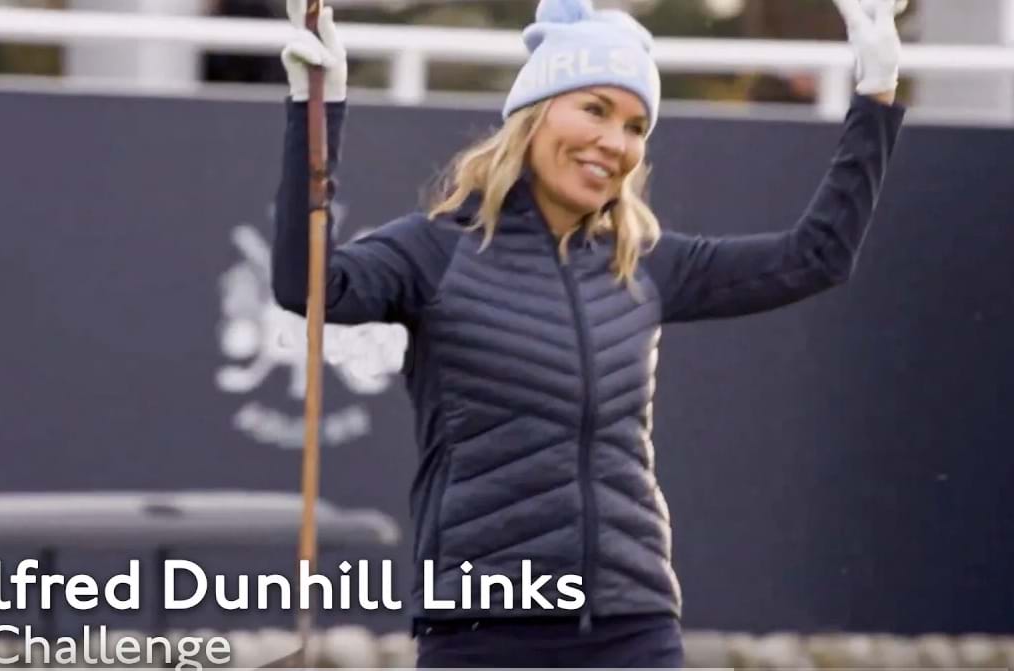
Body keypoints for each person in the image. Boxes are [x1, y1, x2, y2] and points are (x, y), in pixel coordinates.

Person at [272, 0, 906, 666]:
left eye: (635, 126)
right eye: (595, 109)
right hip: (483, 633)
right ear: (535, 113)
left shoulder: (643, 262)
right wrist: (317, 111)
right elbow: (306, 285)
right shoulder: (436, 251)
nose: (614, 142)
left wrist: (876, 96)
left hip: (633, 628)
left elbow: (817, 257)